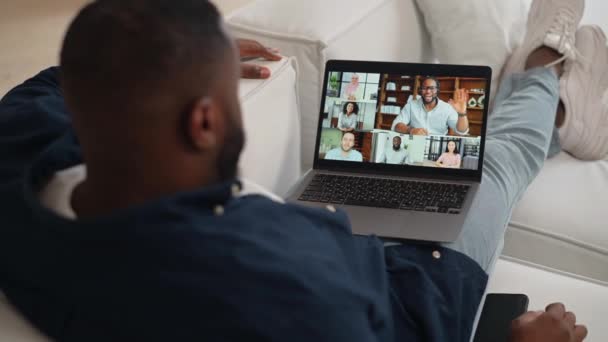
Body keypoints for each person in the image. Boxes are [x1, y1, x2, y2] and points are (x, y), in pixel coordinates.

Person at [0, 0, 595, 341]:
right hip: (419, 294)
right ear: (203, 124)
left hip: (312, 240)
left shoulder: (17, 156)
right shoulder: (279, 302)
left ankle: (555, 104)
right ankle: (548, 68)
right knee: (500, 157)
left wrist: (188, 61)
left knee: (438, 149)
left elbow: (54, 85)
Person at [391, 77, 470, 136]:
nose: (428, 91)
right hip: (415, 145)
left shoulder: (447, 108)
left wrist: (462, 113)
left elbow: (461, 131)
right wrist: (411, 130)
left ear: (437, 91)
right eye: (424, 88)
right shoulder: (411, 105)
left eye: (432, 88)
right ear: (421, 90)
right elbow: (396, 125)